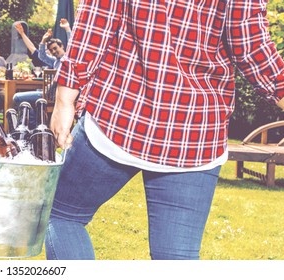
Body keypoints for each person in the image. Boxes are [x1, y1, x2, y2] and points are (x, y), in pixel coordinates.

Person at [47, 0, 284, 260]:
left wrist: (65, 98)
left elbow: (97, 21)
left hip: (121, 115)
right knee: (176, 260)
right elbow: (252, 47)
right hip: (194, 133)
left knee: (61, 215)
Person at [12, 19, 70, 127]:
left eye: (55, 48)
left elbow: (72, 44)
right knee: (28, 101)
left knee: (17, 97)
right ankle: (32, 125)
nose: (53, 51)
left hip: (51, 96)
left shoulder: (68, 59)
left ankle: (29, 125)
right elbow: (41, 55)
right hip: (48, 94)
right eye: (51, 50)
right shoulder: (55, 61)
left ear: (62, 46)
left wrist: (67, 28)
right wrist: (43, 41)